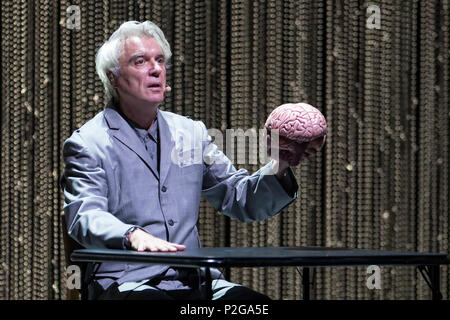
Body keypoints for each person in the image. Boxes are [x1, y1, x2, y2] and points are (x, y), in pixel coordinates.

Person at [61, 20, 320, 300]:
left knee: (254, 305)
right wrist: (132, 235)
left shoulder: (191, 133)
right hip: (128, 283)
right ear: (113, 77)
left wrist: (278, 166)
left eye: (160, 60)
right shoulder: (88, 142)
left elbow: (238, 197)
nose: (156, 69)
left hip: (195, 280)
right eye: (140, 61)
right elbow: (84, 216)